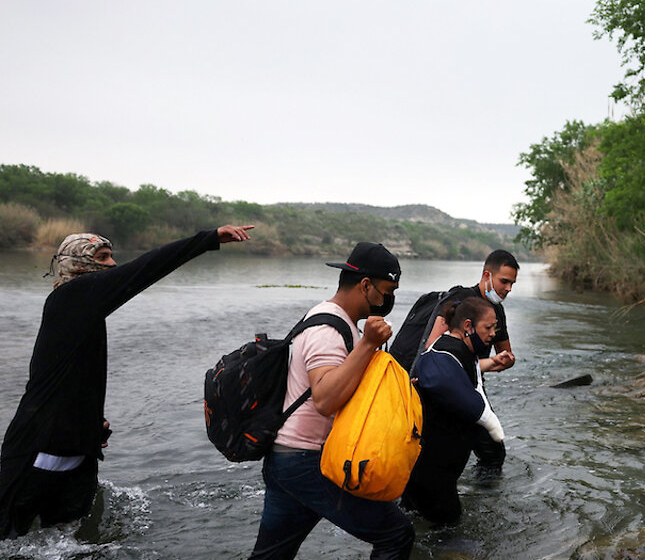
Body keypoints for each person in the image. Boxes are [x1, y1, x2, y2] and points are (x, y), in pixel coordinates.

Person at [0, 225, 253, 538]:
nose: (112, 265)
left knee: (71, 541)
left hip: (79, 450)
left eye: (111, 256)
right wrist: (208, 239)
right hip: (35, 449)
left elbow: (68, 377)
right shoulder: (71, 297)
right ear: (77, 263)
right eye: (103, 257)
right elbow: (143, 269)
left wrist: (89, 422)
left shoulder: (84, 310)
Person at [248, 242, 413, 560]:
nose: (388, 299)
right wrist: (368, 345)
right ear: (365, 285)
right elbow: (324, 398)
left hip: (288, 459)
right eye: (387, 290)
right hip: (307, 461)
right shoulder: (328, 329)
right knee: (396, 534)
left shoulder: (333, 320)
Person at [391, 250, 518, 479]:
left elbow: (504, 355)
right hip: (440, 385)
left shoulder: (496, 311)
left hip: (471, 382)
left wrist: (504, 361)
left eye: (512, 284)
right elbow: (433, 351)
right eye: (504, 281)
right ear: (487, 275)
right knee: (438, 450)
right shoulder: (460, 299)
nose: (508, 289)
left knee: (491, 453)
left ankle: (481, 499)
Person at [402, 297, 505, 524]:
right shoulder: (441, 353)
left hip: (435, 473)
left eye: (494, 328)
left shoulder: (462, 351)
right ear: (468, 326)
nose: (492, 334)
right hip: (430, 476)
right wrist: (489, 421)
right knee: (448, 537)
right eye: (488, 328)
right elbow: (439, 375)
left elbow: (468, 373)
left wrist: (494, 362)